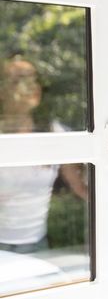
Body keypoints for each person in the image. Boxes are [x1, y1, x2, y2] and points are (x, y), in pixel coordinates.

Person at [0, 56, 87, 254]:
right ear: (1, 90)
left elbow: (82, 187)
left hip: (38, 246)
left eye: (32, 79)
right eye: (17, 80)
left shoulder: (52, 133)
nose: (27, 86)